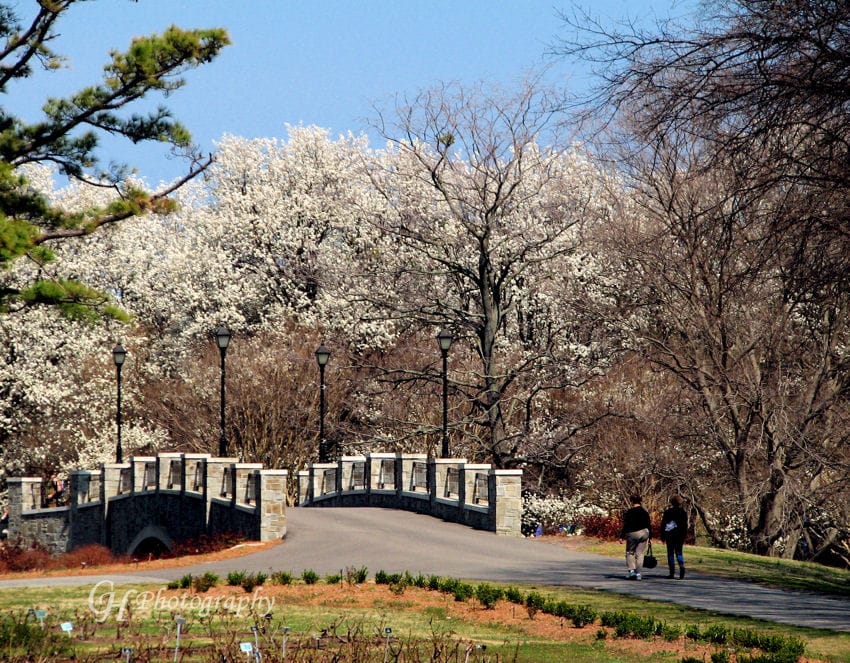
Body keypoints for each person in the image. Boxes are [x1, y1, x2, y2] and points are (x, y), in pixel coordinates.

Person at [620, 494, 652, 580]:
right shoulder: (644, 512)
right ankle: (639, 574)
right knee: (640, 553)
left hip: (633, 533)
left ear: (632, 501)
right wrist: (650, 537)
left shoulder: (630, 512)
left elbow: (626, 525)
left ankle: (632, 572)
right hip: (644, 533)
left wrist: (622, 536)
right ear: (640, 501)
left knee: (630, 552)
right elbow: (649, 525)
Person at [660, 495, 688, 579]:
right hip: (679, 535)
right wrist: (684, 535)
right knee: (679, 552)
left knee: (670, 553)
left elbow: (663, 524)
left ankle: (672, 572)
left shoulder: (668, 512)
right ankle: (681, 566)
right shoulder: (683, 513)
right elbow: (685, 525)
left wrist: (663, 535)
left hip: (670, 534)